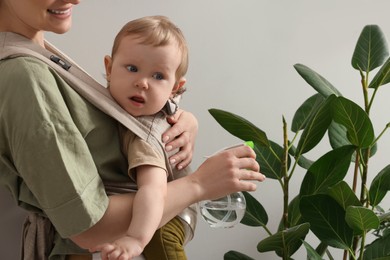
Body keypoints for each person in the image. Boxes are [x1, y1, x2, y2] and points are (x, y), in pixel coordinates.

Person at [0, 1, 265, 260]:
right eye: (132, 69)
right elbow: (89, 229)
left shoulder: (39, 53)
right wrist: (199, 184)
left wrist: (174, 121)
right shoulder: (24, 74)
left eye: (159, 76)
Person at [91, 16, 193, 260]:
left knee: (162, 243)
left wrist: (135, 239)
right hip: (136, 208)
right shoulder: (101, 105)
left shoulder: (147, 132)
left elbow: (153, 189)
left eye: (158, 76)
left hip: (168, 214)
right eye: (132, 68)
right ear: (108, 67)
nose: (142, 83)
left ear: (175, 88)